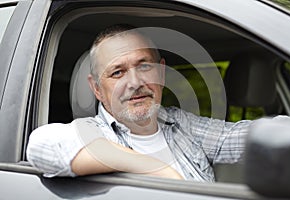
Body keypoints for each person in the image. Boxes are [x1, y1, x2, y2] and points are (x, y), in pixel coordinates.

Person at [26, 24, 254, 182]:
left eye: (144, 66)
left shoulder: (181, 124)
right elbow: (41, 146)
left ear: (162, 74)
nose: (135, 82)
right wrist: (158, 170)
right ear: (97, 88)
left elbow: (244, 138)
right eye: (117, 72)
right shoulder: (95, 133)